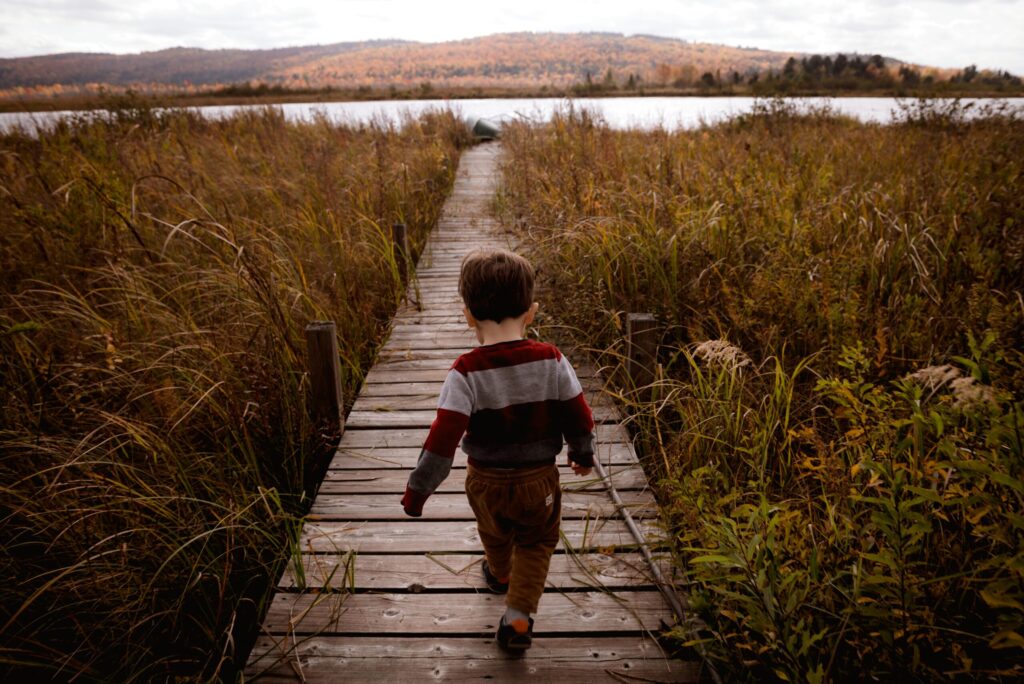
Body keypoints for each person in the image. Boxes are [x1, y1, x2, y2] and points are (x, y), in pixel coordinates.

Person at [401, 248, 596, 652]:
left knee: (494, 531)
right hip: (538, 481)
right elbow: (579, 414)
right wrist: (582, 452)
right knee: (536, 543)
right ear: (532, 312)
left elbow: (442, 438)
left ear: (468, 315)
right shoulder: (552, 360)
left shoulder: (464, 372)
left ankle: (500, 572)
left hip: (485, 481)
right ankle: (519, 619)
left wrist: (418, 490)